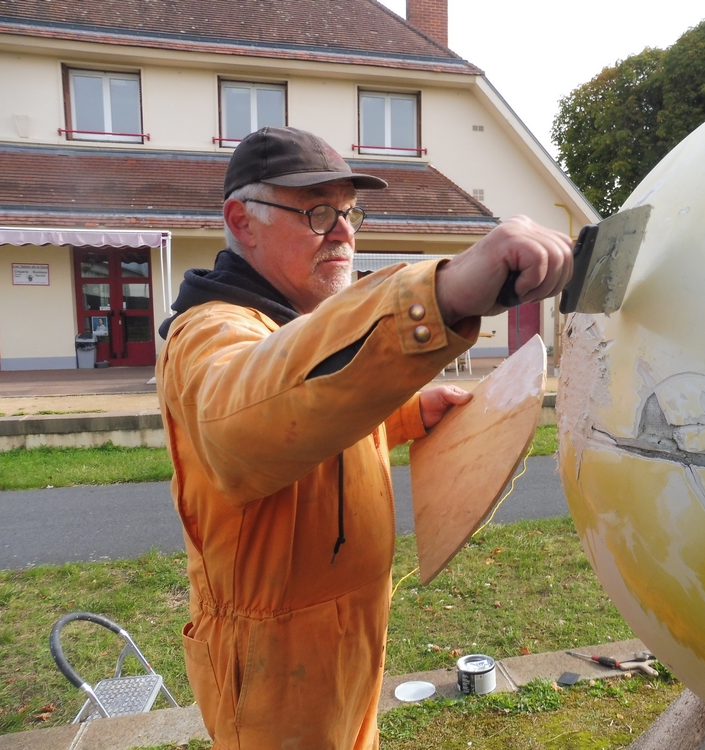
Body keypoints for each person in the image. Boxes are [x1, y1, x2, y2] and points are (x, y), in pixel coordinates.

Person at [156, 126, 573, 749]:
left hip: (347, 644)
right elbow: (244, 424)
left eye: (350, 211)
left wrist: (406, 412)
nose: (345, 231)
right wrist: (438, 293)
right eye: (317, 212)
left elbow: (314, 407)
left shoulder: (302, 324)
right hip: (273, 677)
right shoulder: (210, 331)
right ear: (242, 222)